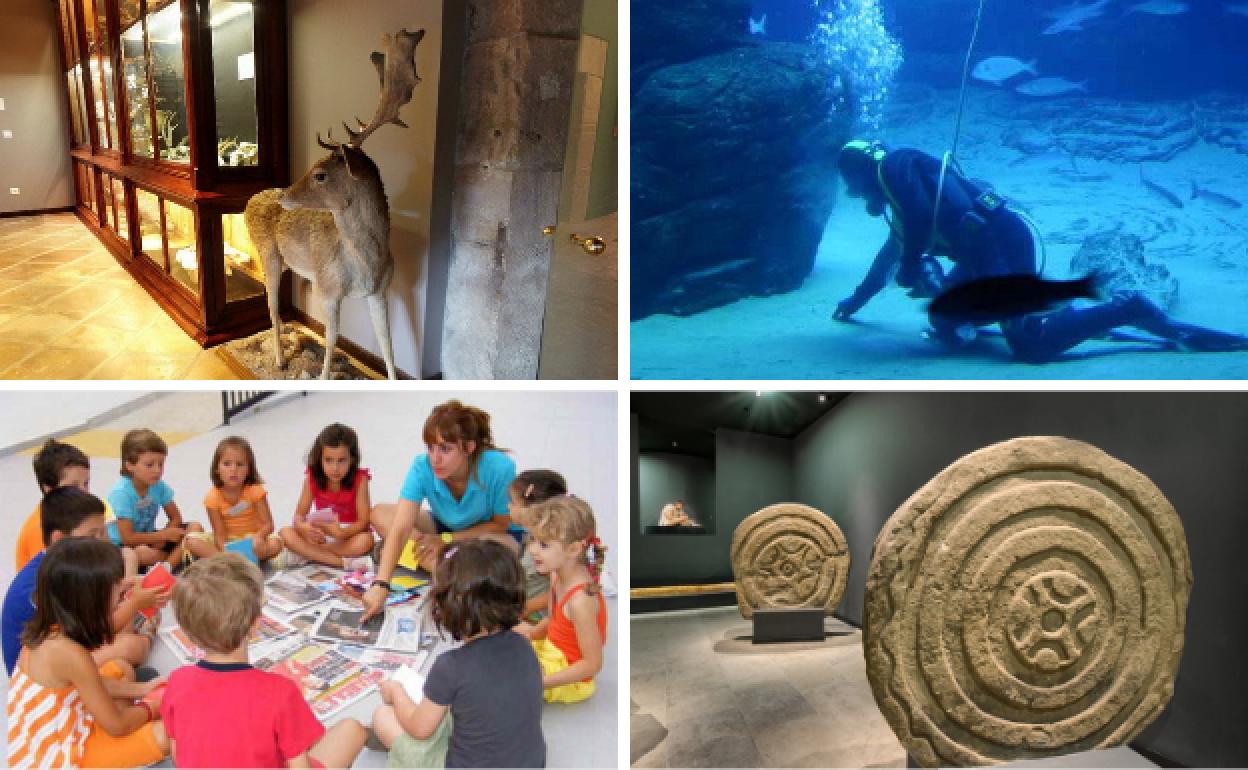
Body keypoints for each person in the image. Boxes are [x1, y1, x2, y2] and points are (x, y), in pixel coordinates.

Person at [832, 139, 1248, 362]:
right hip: (982, 259)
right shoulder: (900, 207)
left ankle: (1129, 308)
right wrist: (855, 302)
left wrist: (911, 268)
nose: (853, 195)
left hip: (1004, 245)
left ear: (861, 170)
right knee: (942, 318)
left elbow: (921, 222)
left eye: (851, 184)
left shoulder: (896, 167)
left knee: (1030, 348)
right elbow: (887, 256)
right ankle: (1056, 315)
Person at [160, 553, 368, 768]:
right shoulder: (279, 692)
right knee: (352, 729)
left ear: (186, 630)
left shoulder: (177, 681)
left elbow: (179, 756)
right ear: (256, 624)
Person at [370, 540, 546, 768]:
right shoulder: (523, 644)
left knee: (383, 717)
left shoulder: (451, 665)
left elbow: (419, 728)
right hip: (530, 763)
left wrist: (395, 693)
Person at [6, 537, 170, 768]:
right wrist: (152, 706)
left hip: (57, 730)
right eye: (116, 591)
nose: (120, 598)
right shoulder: (71, 654)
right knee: (166, 735)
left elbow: (91, 679)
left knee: (120, 668)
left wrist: (143, 689)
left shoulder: (50, 629)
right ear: (92, 601)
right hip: (65, 756)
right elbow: (118, 725)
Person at [362, 401, 517, 623]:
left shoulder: (499, 467)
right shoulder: (422, 466)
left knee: (505, 550)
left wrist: (445, 539)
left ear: (469, 448)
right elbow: (401, 526)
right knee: (379, 514)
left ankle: (431, 563)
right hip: (443, 527)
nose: (435, 458)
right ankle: (448, 570)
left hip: (482, 534)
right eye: (431, 447)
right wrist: (381, 583)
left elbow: (501, 524)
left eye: (445, 449)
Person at [3, 487, 168, 676]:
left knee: (131, 565)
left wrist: (126, 589)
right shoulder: (45, 583)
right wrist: (134, 604)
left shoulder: (65, 563)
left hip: (72, 644)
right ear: (60, 538)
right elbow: (92, 632)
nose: (102, 541)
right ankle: (141, 640)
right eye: (92, 535)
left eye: (103, 532)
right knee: (131, 645)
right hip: (45, 671)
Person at [512, 495, 608, 704]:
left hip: (569, 676)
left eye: (544, 545)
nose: (532, 550)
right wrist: (534, 633)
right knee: (497, 627)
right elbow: (554, 619)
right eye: (533, 540)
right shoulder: (557, 574)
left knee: (500, 673)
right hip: (551, 649)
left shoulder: (580, 601)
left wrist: (540, 682)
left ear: (574, 549)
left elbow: (592, 664)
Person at [14, 439, 130, 573]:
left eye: (86, 483)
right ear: (48, 489)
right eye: (73, 486)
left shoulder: (87, 509)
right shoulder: (39, 529)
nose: (84, 491)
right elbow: (52, 581)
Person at [278, 423, 376, 572]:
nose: (335, 468)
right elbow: (298, 516)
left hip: (348, 534)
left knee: (366, 540)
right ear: (320, 459)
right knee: (285, 532)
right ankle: (342, 563)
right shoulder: (312, 476)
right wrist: (303, 528)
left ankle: (308, 554)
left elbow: (363, 521)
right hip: (322, 534)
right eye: (328, 460)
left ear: (352, 459)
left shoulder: (360, 479)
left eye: (341, 460)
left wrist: (342, 533)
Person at [107, 429, 203, 569]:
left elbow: (176, 517)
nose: (157, 470)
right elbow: (128, 538)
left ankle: (168, 566)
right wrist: (161, 536)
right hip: (126, 547)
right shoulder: (121, 493)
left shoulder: (157, 485)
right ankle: (180, 559)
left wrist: (164, 535)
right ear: (130, 465)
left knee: (195, 527)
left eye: (161, 464)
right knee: (141, 553)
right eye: (149, 465)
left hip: (151, 537)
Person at [184, 437, 285, 563]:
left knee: (276, 543)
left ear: (249, 469)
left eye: (240, 464)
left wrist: (259, 537)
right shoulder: (212, 498)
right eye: (227, 464)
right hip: (228, 542)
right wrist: (226, 550)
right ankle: (230, 561)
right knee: (191, 541)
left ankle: (229, 562)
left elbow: (268, 524)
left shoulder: (255, 490)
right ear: (217, 469)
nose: (233, 469)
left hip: (254, 538)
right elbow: (219, 534)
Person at [508, 469, 569, 622]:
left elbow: (560, 591)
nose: (509, 507)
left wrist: (523, 609)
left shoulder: (551, 549)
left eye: (513, 502)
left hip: (541, 621)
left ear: (530, 508)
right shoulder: (532, 537)